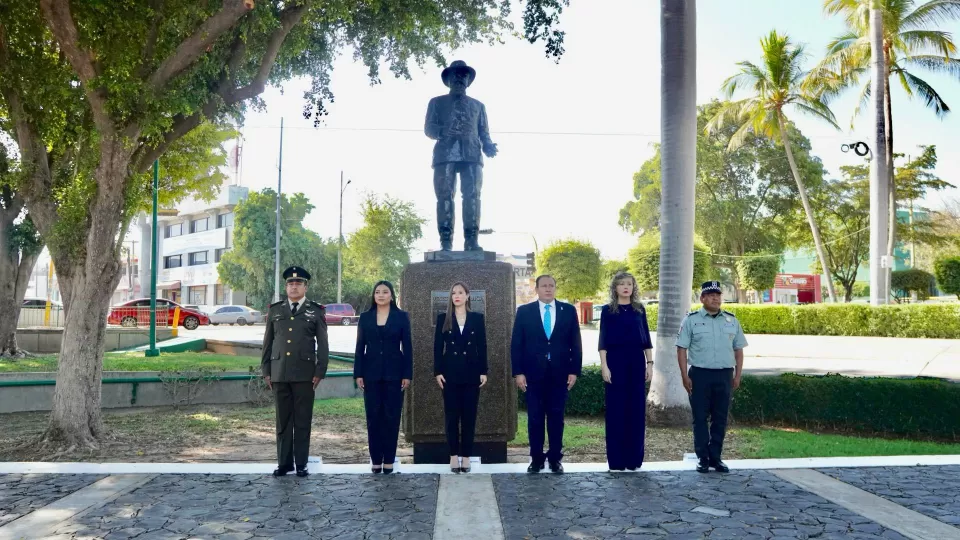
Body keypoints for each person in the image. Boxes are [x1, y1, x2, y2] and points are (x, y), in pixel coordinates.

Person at [261, 266, 329, 477]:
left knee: (302, 420)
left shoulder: (315, 311)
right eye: (290, 283)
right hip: (279, 372)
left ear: (305, 286)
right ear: (286, 287)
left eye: (298, 283)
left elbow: (323, 345)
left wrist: (320, 371)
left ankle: (301, 464)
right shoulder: (275, 310)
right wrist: (266, 371)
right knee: (283, 421)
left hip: (305, 374)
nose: (294, 286)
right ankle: (284, 463)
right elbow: (268, 342)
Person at [510, 275, 582, 473]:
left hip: (559, 374)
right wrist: (518, 373)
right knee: (535, 418)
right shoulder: (524, 312)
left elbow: (575, 342)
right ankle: (536, 459)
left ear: (555, 288)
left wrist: (574, 370)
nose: (548, 289)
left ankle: (555, 459)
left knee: (556, 418)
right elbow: (517, 344)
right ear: (537, 289)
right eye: (544, 286)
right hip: (533, 375)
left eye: (551, 286)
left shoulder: (567, 311)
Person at [424, 60, 498, 251]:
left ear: (468, 80)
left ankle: (471, 240)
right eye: (455, 75)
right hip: (445, 154)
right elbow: (429, 128)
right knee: (444, 197)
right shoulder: (436, 102)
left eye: (463, 75)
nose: (459, 79)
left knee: (473, 197)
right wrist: (443, 131)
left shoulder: (478, 106)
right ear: (448, 79)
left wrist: (488, 146)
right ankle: (446, 242)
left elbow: (484, 131)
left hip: (472, 154)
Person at [676, 281, 748, 474]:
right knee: (699, 418)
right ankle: (703, 458)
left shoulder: (732, 321)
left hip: (725, 375)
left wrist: (737, 375)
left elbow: (738, 350)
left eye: (718, 294)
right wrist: (684, 375)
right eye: (711, 295)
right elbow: (681, 349)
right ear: (702, 298)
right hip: (699, 375)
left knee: (720, 418)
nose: (716, 298)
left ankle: (716, 457)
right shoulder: (691, 320)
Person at [354, 281, 413, 474]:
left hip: (395, 374)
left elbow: (408, 347)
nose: (380, 295)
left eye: (385, 292)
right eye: (377, 292)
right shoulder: (365, 317)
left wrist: (407, 374)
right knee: (373, 417)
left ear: (392, 296)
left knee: (391, 417)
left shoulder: (401, 317)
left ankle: (389, 459)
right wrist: (359, 373)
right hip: (370, 374)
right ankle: (376, 460)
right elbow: (359, 347)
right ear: (373, 295)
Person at [599, 272, 653, 472]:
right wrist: (604, 366)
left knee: (636, 411)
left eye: (629, 284)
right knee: (615, 412)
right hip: (614, 363)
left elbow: (646, 337)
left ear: (633, 287)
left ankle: (633, 460)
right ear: (615, 288)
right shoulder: (607, 311)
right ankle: (617, 461)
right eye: (621, 284)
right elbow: (603, 340)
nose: (625, 287)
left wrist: (650, 363)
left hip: (636, 363)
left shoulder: (639, 310)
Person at [433, 282, 488, 473]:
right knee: (451, 417)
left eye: (460, 292)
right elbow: (438, 348)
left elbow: (482, 346)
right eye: (454, 293)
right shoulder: (444, 319)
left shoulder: (477, 318)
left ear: (467, 296)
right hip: (450, 374)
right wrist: (437, 372)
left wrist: (484, 371)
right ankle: (453, 456)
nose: (457, 296)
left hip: (472, 373)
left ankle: (466, 456)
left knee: (469, 418)